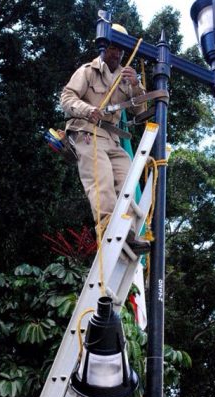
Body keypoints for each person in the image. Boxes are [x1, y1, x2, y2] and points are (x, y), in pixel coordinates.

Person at [60, 23, 150, 253]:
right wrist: (87, 109)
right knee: (102, 181)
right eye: (113, 48)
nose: (117, 53)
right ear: (104, 47)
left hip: (112, 139)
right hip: (88, 133)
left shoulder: (126, 77)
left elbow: (140, 112)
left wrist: (136, 86)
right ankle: (109, 229)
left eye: (121, 49)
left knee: (127, 179)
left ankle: (128, 231)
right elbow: (67, 97)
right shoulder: (88, 71)